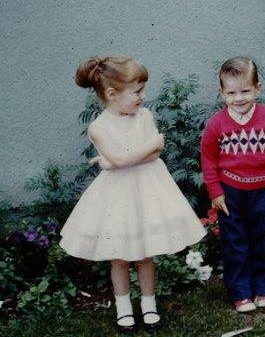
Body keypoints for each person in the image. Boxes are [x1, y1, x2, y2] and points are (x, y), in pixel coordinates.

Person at [59, 55, 206, 333]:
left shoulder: (145, 116)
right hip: (117, 198)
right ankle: (124, 307)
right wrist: (136, 150)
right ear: (112, 94)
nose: (143, 96)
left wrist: (116, 160)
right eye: (137, 92)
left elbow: (154, 154)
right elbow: (134, 154)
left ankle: (149, 305)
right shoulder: (99, 127)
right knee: (119, 256)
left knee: (146, 253)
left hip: (147, 191)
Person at [200, 56, 265, 313]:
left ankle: (262, 288)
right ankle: (240, 292)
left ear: (257, 88)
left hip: (262, 191)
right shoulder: (216, 125)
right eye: (231, 92)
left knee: (262, 238)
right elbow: (207, 159)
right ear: (221, 93)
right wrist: (215, 192)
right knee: (235, 241)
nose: (238, 98)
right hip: (230, 193)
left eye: (245, 91)